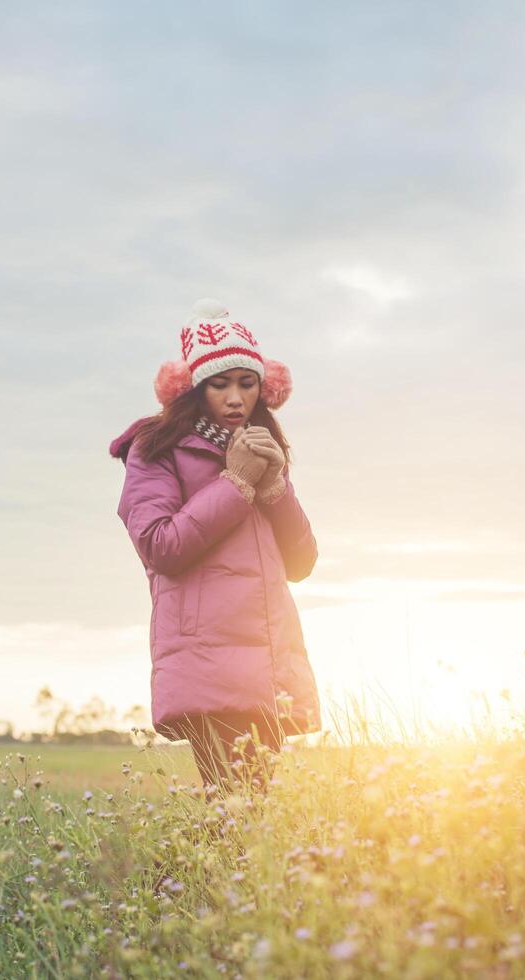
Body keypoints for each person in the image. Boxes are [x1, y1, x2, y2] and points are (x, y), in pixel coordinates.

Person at [109, 298, 321, 797]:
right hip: (207, 658)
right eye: (219, 384)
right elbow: (161, 546)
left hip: (268, 659)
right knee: (234, 808)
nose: (235, 398)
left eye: (247, 383)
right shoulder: (155, 447)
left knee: (245, 814)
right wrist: (235, 484)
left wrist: (272, 488)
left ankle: (189, 880)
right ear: (194, 389)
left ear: (263, 388)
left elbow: (302, 563)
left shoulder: (260, 447)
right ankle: (173, 880)